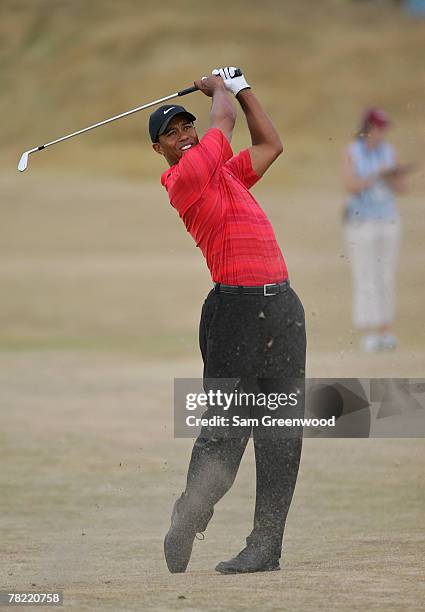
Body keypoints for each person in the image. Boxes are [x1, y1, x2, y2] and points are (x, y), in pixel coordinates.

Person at [149, 67, 306, 574]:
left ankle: (266, 546)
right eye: (170, 134)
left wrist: (243, 88)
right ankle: (188, 517)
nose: (182, 136)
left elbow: (271, 143)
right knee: (226, 430)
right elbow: (224, 121)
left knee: (281, 429)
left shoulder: (227, 173)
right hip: (235, 310)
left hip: (282, 307)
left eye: (185, 126)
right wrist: (220, 88)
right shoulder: (184, 179)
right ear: (162, 151)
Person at [342, 107, 407, 352]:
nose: (382, 134)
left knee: (385, 275)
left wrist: (392, 175)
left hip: (387, 219)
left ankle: (386, 330)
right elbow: (351, 185)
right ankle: (368, 330)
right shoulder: (352, 152)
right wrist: (375, 175)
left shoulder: (389, 152)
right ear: (368, 128)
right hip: (360, 221)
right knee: (365, 275)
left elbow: (402, 187)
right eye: (378, 128)